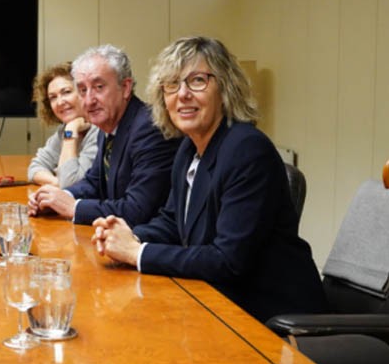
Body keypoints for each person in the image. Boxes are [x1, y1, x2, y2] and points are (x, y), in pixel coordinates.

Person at [90, 36, 327, 322]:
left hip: (275, 323)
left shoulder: (247, 149)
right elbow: (171, 221)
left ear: (225, 89)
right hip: (217, 304)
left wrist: (138, 252)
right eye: (172, 84)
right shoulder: (189, 148)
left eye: (198, 81)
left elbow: (227, 260)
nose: (183, 94)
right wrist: (127, 233)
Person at [28, 45, 179, 226]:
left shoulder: (149, 128)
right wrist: (58, 198)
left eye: (99, 87)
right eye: (82, 90)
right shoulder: (108, 125)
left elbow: (137, 209)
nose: (89, 100)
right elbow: (94, 182)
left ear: (125, 87)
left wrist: (74, 207)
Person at [27, 62, 100, 187]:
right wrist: (58, 182)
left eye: (66, 92)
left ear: (84, 93)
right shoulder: (63, 131)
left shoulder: (100, 131)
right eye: (53, 97)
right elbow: (34, 169)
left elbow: (72, 184)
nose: (59, 102)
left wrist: (71, 132)